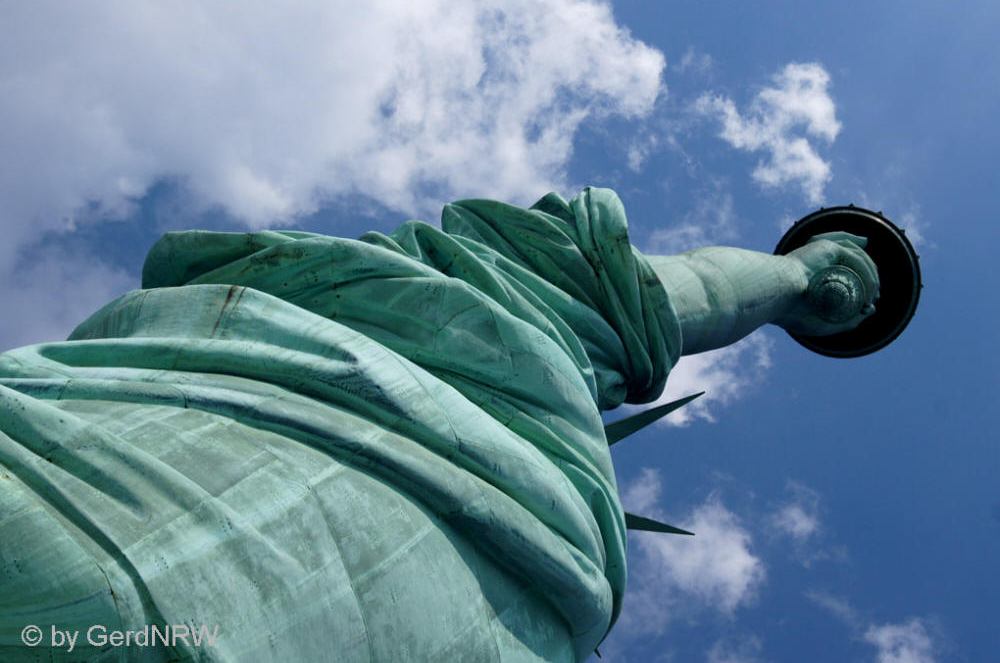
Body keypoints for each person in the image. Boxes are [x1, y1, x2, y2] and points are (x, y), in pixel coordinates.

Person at [0, 188, 877, 662]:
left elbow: (649, 290)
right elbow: (662, 294)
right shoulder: (528, 343)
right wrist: (808, 278)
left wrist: (807, 271)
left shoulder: (513, 320)